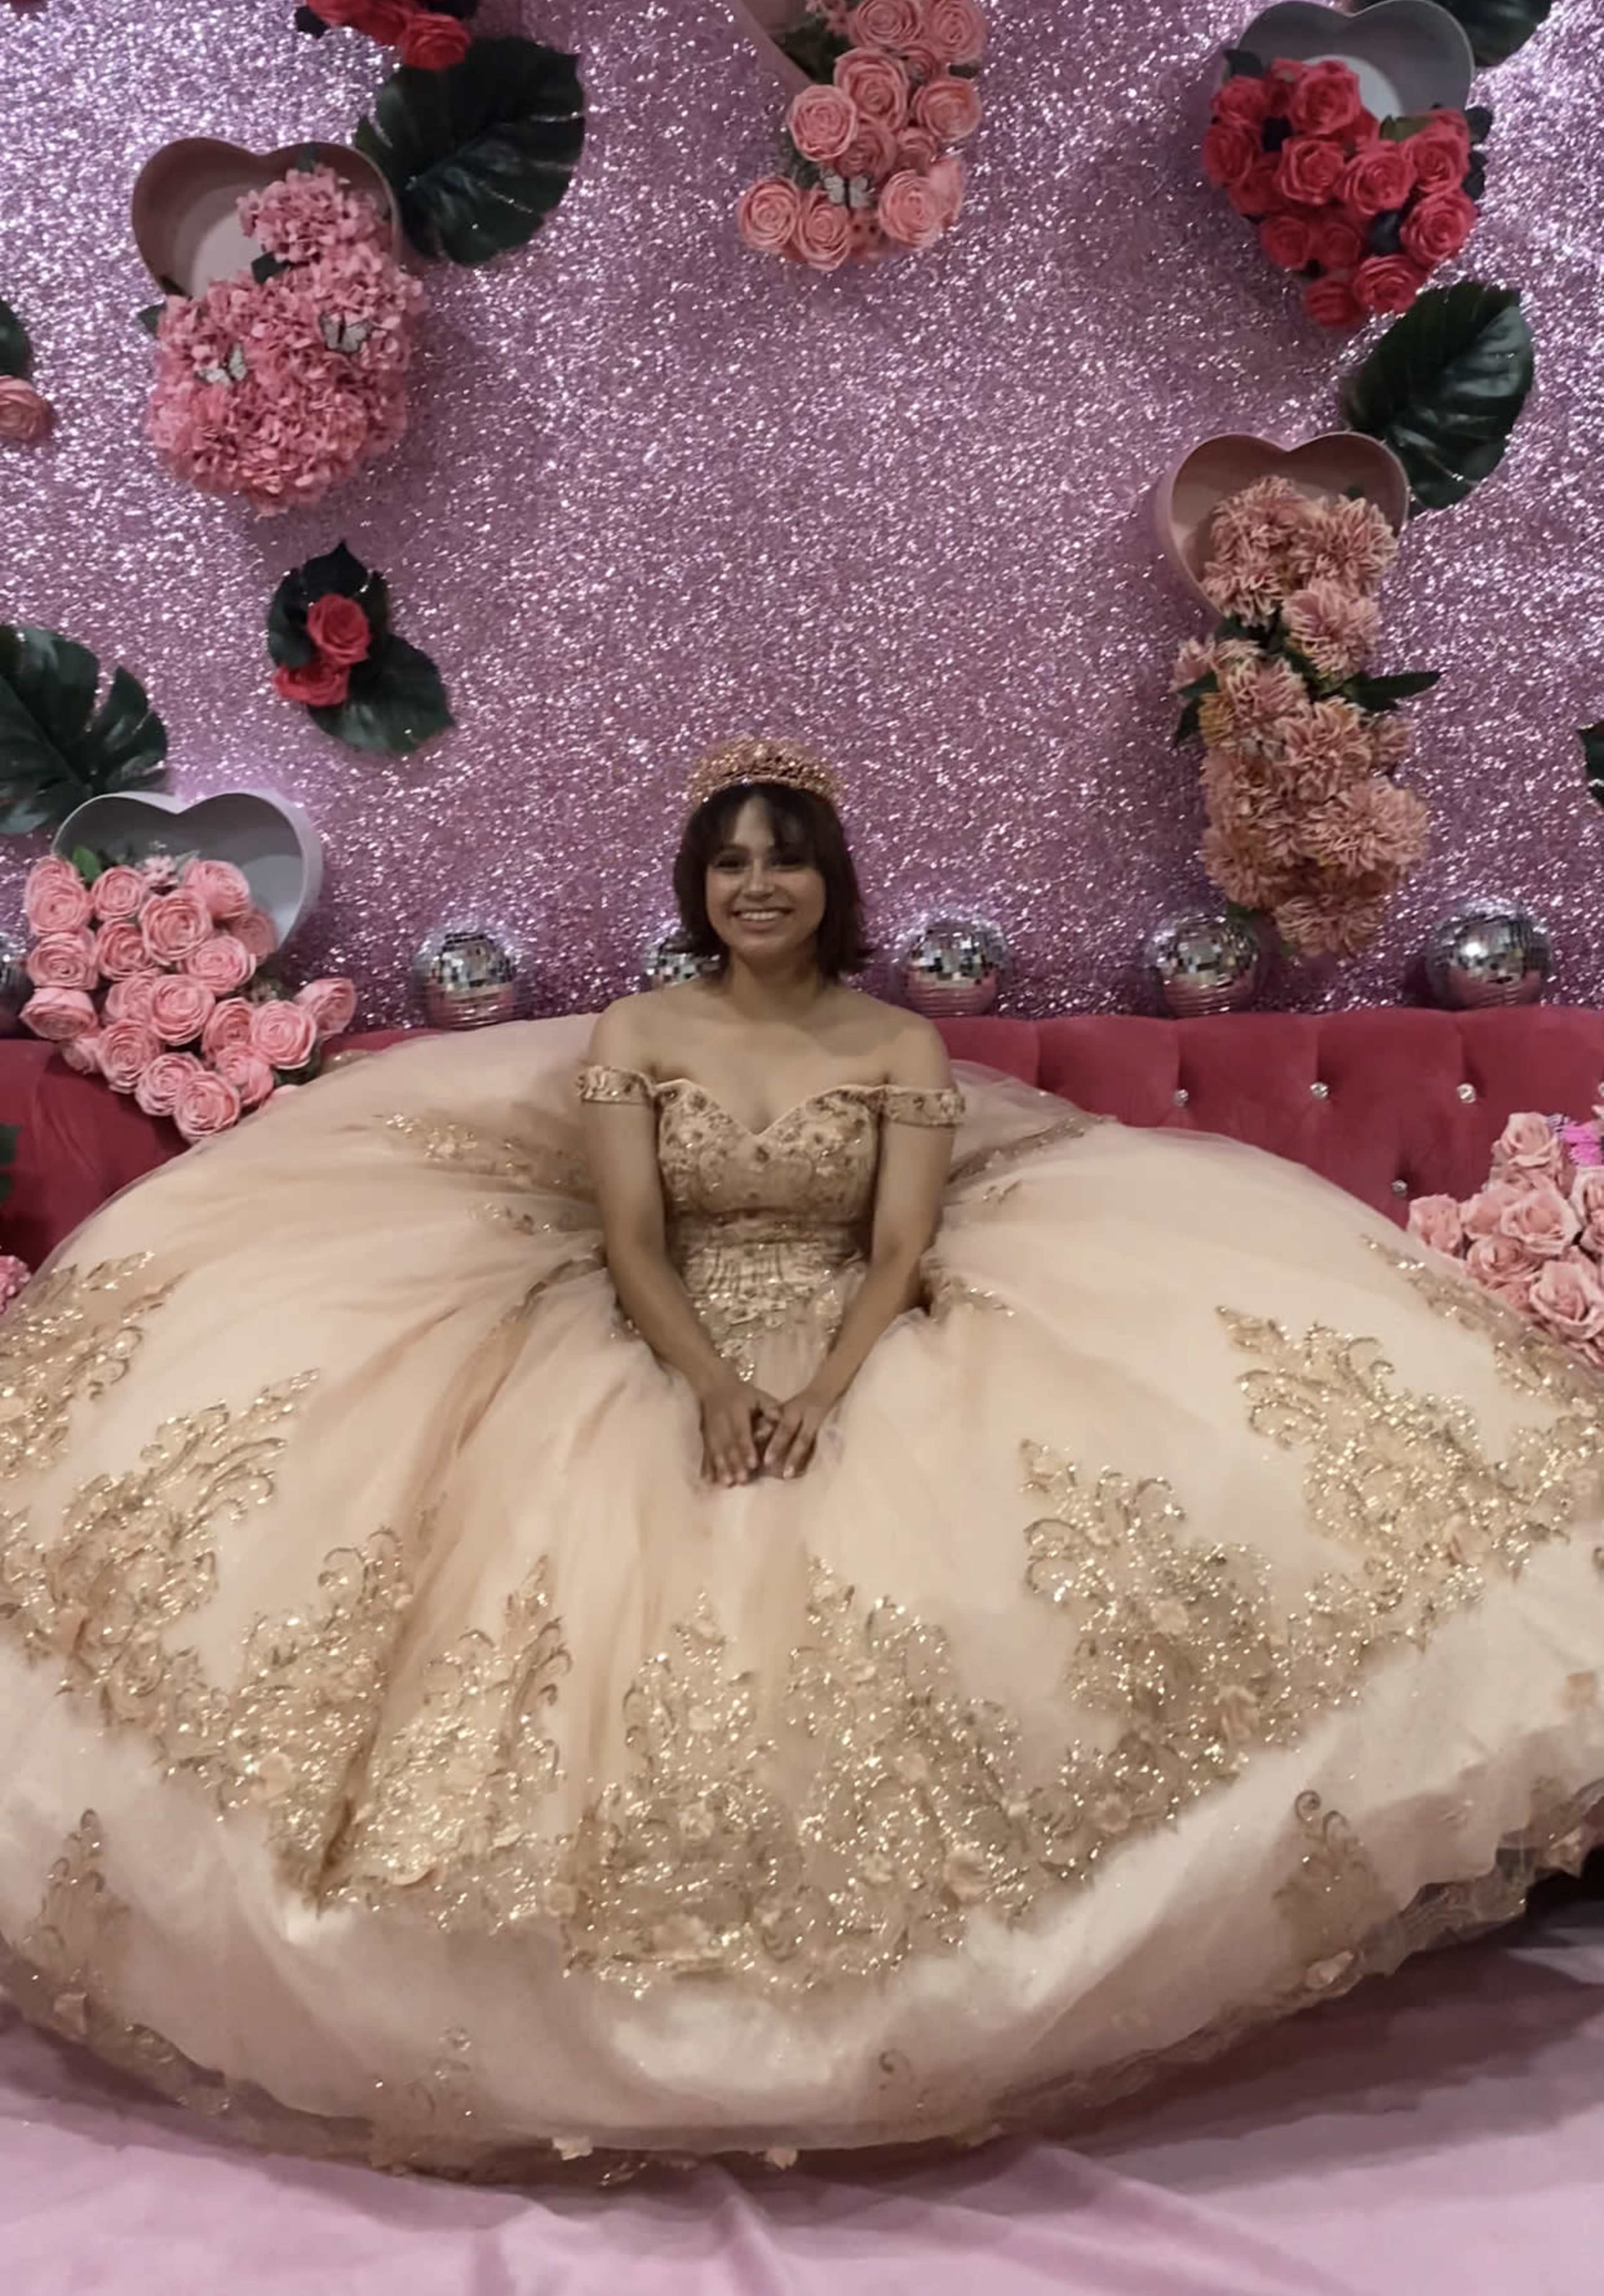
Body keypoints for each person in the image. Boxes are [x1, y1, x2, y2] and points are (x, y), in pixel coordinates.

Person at [0, 734, 1599, 2182]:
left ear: (830, 883)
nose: (758, 883)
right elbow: (632, 1231)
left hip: (860, 1330)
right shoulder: (638, 1031)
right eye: (731, 860)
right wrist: (703, 1384)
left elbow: (901, 1247)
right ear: (700, 887)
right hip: (651, 1333)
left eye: (786, 857)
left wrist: (828, 1392)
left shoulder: (896, 1050)